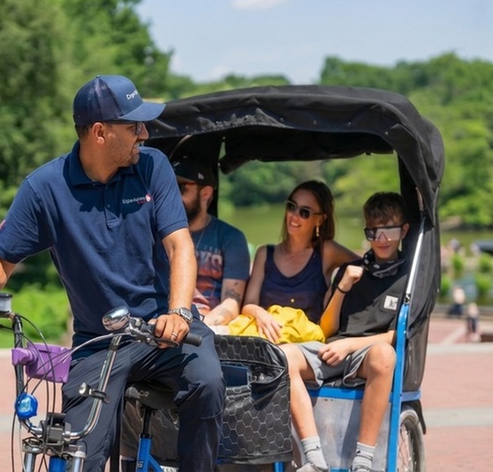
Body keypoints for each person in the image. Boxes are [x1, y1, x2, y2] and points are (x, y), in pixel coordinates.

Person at [0, 75, 225, 472]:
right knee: (77, 452)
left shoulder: (152, 167)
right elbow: (0, 258)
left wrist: (178, 312)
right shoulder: (45, 188)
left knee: (208, 382)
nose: (144, 134)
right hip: (99, 342)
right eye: (134, 126)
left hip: (166, 332)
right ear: (100, 132)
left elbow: (180, 246)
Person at [281, 191, 411, 472]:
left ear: (403, 230)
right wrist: (342, 287)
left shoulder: (408, 278)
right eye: (373, 231)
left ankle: (363, 462)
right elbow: (326, 329)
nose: (381, 239)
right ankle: (313, 457)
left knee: (384, 355)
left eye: (389, 230)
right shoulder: (350, 270)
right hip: (332, 349)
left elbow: (396, 335)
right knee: (282, 356)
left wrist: (350, 345)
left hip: (366, 355)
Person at [235, 180, 358, 343]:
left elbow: (366, 266)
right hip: (266, 340)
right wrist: (260, 314)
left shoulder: (327, 251)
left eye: (304, 212)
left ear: (320, 220)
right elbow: (248, 304)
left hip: (307, 343)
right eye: (291, 207)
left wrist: (338, 290)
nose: (294, 215)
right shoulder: (264, 253)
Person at [173, 159, 250, 330]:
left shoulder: (231, 238)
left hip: (210, 325)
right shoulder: (160, 236)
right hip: (168, 321)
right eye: (169, 187)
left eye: (180, 188)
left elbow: (231, 302)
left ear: (206, 193)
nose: (172, 195)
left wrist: (201, 327)